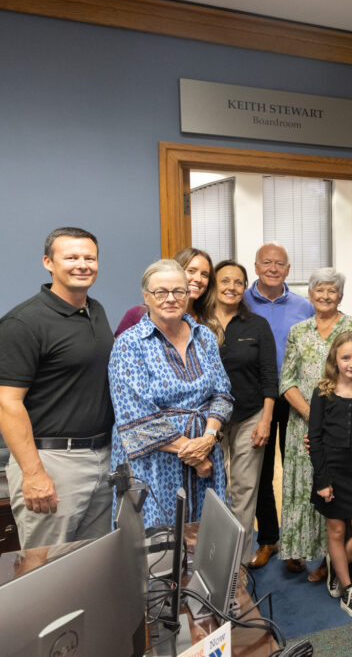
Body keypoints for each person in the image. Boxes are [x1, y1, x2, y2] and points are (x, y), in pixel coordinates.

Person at [0, 227, 115, 547]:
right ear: (48, 262)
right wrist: (34, 475)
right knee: (45, 575)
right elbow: (7, 403)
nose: (82, 264)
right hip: (51, 462)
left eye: (89, 258)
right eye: (71, 257)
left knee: (92, 566)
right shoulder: (23, 323)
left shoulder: (96, 311)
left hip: (101, 457)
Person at [108, 259, 231, 527]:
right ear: (146, 296)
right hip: (153, 464)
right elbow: (136, 420)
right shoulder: (130, 344)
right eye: (161, 292)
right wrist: (195, 455)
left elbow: (222, 394)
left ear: (188, 295)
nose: (170, 299)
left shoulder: (205, 337)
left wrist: (208, 439)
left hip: (206, 451)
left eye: (178, 291)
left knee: (204, 540)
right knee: (155, 548)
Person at [278, 267, 352, 581]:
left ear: (340, 295)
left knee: (338, 491)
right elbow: (286, 380)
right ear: (310, 294)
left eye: (332, 291)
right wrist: (315, 418)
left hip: (345, 427)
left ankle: (333, 561)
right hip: (304, 425)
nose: (326, 296)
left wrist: (332, 422)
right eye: (320, 290)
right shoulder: (298, 331)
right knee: (306, 488)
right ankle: (300, 552)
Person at [244, 242, 315, 569]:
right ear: (256, 266)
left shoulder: (304, 306)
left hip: (293, 396)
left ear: (288, 270)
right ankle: (269, 538)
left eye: (280, 264)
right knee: (259, 471)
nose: (273, 268)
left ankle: (297, 541)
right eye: (266, 263)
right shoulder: (241, 301)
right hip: (255, 398)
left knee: (297, 470)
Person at [208, 259, 277, 560]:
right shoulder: (197, 323)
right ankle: (213, 558)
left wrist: (266, 420)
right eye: (225, 281)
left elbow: (269, 376)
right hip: (209, 419)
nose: (231, 287)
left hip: (250, 416)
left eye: (238, 282)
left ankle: (237, 566)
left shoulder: (257, 325)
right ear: (214, 284)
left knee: (245, 491)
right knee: (215, 488)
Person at [308, 331, 352, 619]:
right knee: (336, 531)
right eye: (345, 357)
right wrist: (322, 479)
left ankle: (337, 566)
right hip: (331, 472)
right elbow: (315, 436)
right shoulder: (322, 392)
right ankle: (348, 589)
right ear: (335, 360)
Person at [115, 247, 214, 336]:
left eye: (204, 274)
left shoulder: (209, 321)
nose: (198, 279)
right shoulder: (136, 315)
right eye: (191, 271)